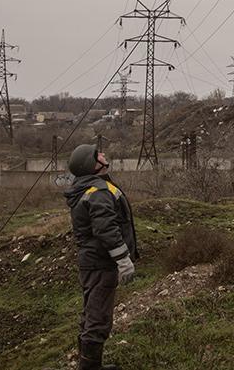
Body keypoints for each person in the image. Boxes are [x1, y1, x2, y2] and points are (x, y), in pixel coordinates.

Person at [65, 144, 139, 370]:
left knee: (91, 312)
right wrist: (123, 259)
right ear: (92, 163)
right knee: (98, 318)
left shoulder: (87, 188)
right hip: (100, 262)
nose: (104, 155)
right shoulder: (98, 191)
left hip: (92, 261)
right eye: (99, 154)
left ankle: (87, 365)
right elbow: (105, 229)